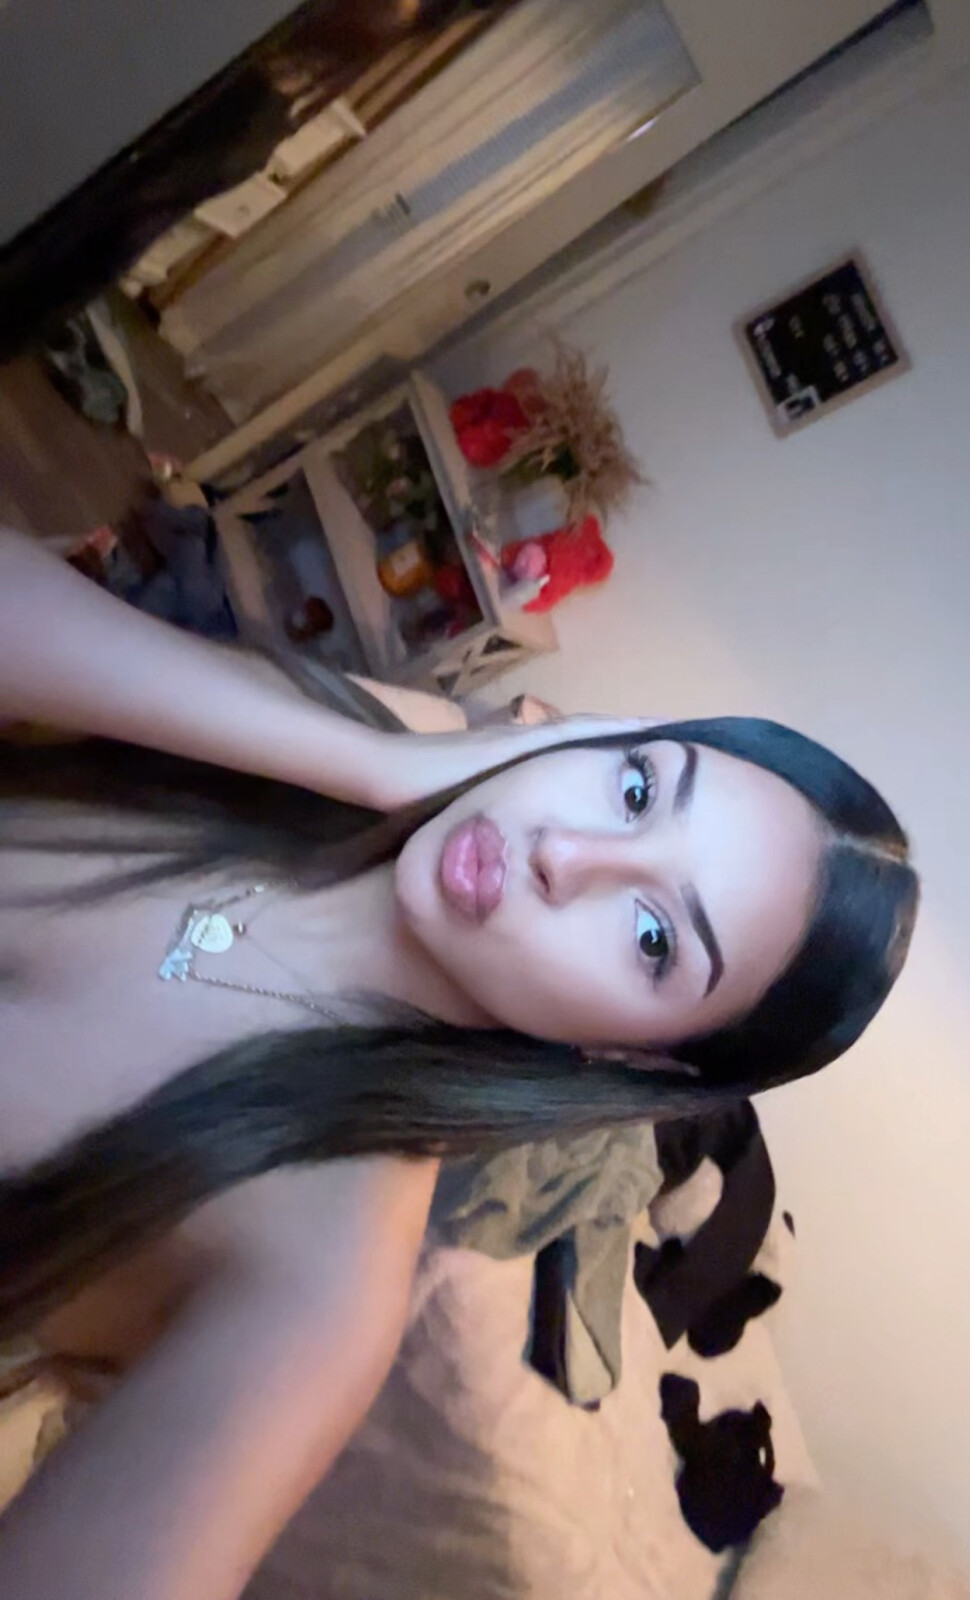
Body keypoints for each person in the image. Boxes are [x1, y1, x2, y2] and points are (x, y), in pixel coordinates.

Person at [0, 527, 918, 1600]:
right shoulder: (367, 750)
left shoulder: (321, 1281)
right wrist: (374, 760)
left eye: (652, 938)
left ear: (633, 1059)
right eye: (635, 790)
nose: (565, 854)